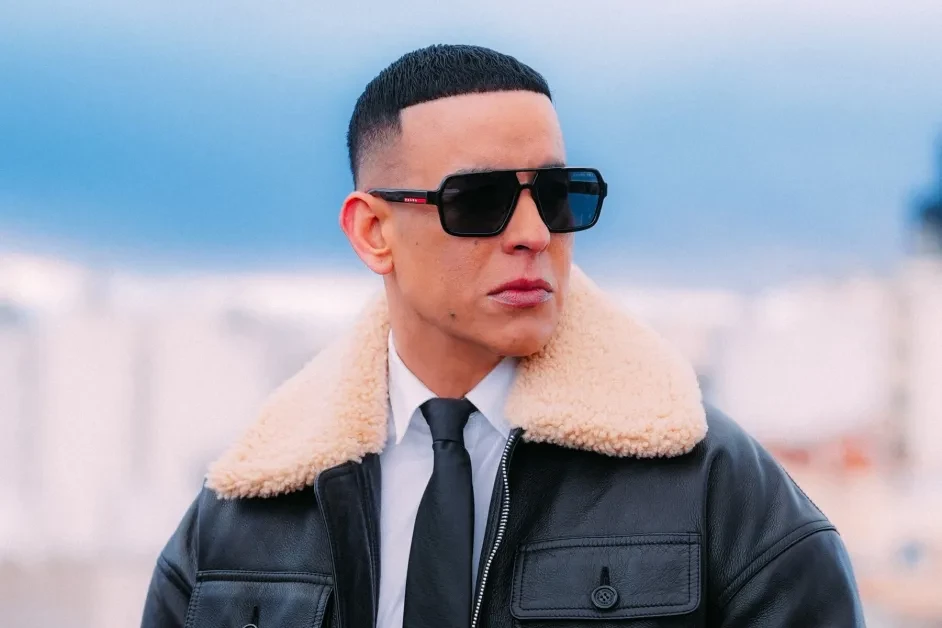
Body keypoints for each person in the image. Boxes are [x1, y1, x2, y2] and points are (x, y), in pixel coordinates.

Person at [141, 44, 865, 628]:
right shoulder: (242, 518)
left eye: (556, 195)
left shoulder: (714, 486)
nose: (532, 233)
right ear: (373, 232)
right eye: (479, 200)